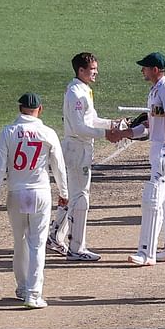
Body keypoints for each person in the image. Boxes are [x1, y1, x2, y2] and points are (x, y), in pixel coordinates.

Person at [0, 93, 68, 309]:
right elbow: (58, 166)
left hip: (16, 193)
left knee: (19, 241)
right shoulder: (47, 132)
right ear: (39, 109)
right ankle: (33, 293)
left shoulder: (9, 131)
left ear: (19, 108)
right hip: (39, 193)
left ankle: (23, 287)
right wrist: (64, 191)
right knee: (37, 243)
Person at [109, 52, 165, 266]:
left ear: (154, 69)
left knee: (152, 199)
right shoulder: (155, 92)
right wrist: (125, 133)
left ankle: (146, 253)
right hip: (160, 149)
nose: (142, 70)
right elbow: (150, 126)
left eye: (145, 67)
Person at [47, 53, 116, 261]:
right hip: (77, 148)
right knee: (80, 198)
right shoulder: (76, 93)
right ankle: (77, 248)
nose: (96, 72)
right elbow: (78, 128)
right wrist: (107, 134)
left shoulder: (83, 89)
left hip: (80, 147)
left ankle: (55, 234)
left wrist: (113, 124)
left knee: (74, 195)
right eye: (92, 69)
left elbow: (91, 119)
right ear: (81, 70)